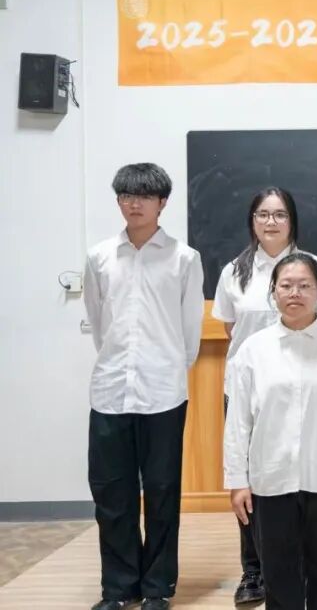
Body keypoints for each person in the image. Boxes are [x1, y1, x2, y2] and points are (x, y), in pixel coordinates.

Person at [84, 163, 204, 610]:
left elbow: (189, 330)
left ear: (162, 202)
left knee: (162, 492)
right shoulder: (100, 256)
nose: (133, 204)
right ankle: (119, 589)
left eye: (144, 196)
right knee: (111, 494)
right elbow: (99, 323)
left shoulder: (184, 258)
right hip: (110, 390)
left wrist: (167, 368)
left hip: (163, 393)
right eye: (126, 196)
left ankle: (157, 588)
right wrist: (120, 360)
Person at [224, 252, 317, 610]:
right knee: (279, 577)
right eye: (286, 285)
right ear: (273, 292)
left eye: (305, 285)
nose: (295, 293)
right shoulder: (253, 349)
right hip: (271, 480)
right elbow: (238, 422)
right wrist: (237, 480)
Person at [211, 186, 317, 605]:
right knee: (251, 481)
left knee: (299, 480)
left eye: (280, 214)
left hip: (305, 386)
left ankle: (296, 564)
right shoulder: (234, 271)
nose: (271, 222)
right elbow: (231, 329)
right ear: (252, 221)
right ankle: (254, 569)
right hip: (249, 389)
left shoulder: (314, 267)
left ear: (292, 220)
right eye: (262, 214)